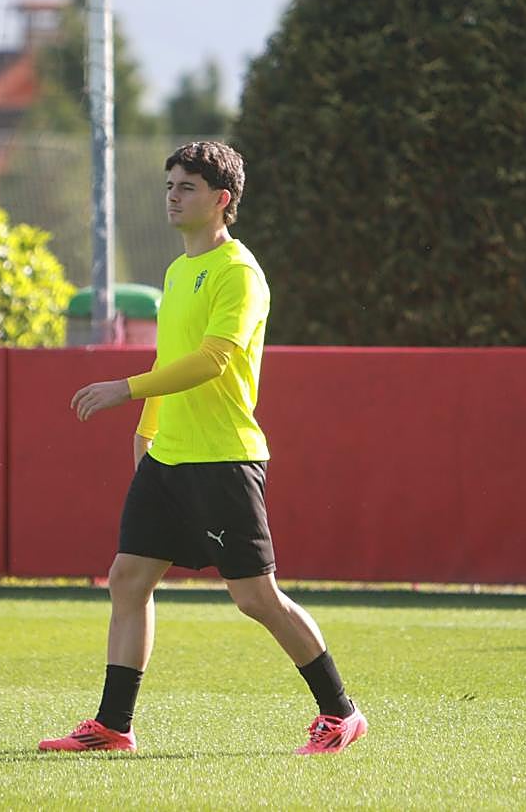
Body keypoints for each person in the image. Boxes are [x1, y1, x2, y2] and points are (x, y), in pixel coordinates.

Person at [38, 141, 366, 756]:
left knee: (255, 597)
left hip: (222, 459)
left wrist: (124, 390)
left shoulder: (239, 272)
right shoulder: (175, 272)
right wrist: (147, 430)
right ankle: (113, 726)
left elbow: (214, 360)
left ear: (222, 199)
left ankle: (341, 713)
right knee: (128, 580)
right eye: (169, 185)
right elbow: (171, 358)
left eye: (186, 187)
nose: (172, 196)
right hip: (170, 457)